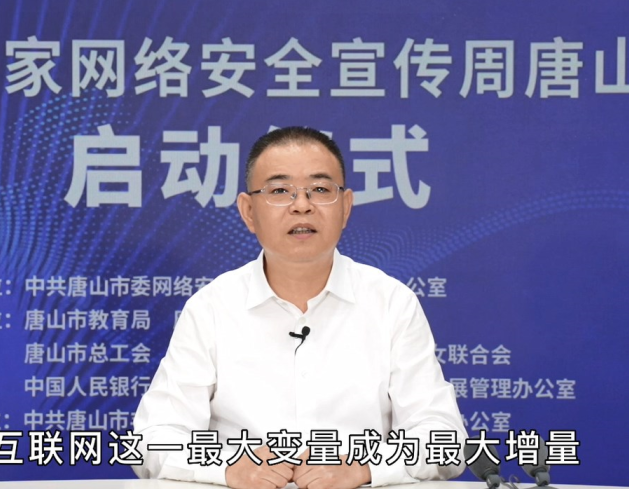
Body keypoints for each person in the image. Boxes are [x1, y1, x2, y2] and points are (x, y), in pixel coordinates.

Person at [132, 127, 466, 489]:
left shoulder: (390, 303)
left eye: (320, 189)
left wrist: (365, 468)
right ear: (248, 211)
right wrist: (228, 468)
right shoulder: (212, 307)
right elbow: (154, 440)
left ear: (345, 207)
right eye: (279, 191)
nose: (302, 205)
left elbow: (443, 439)